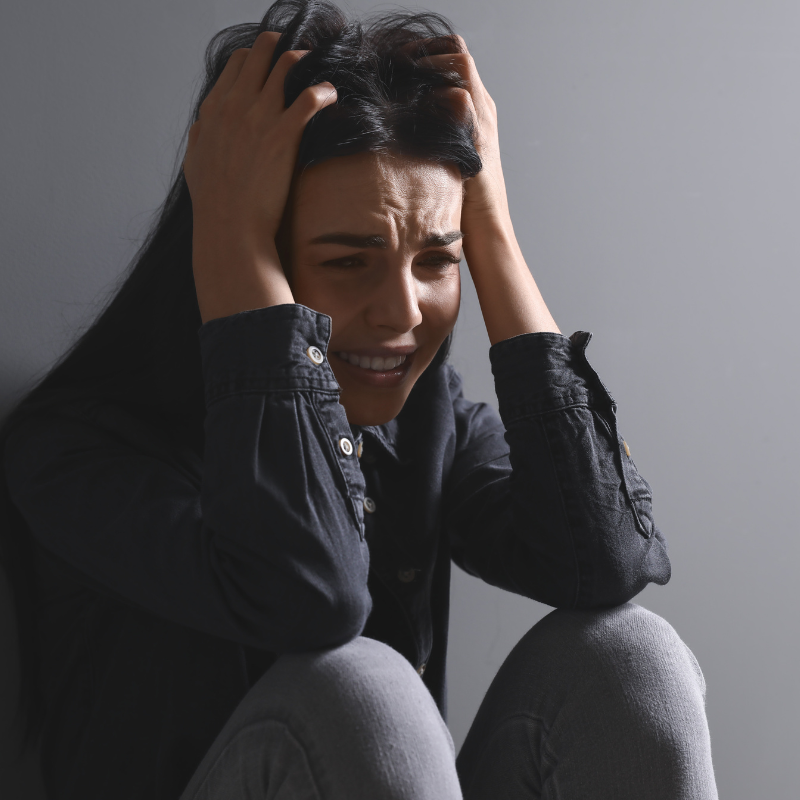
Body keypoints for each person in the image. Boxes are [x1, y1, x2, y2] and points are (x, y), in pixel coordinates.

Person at [0, 0, 718, 797]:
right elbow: (311, 598)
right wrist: (229, 239)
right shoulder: (76, 453)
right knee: (356, 690)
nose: (404, 313)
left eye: (436, 263)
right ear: (247, 260)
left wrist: (491, 227)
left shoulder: (427, 419)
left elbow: (602, 561)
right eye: (348, 262)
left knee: (633, 658)